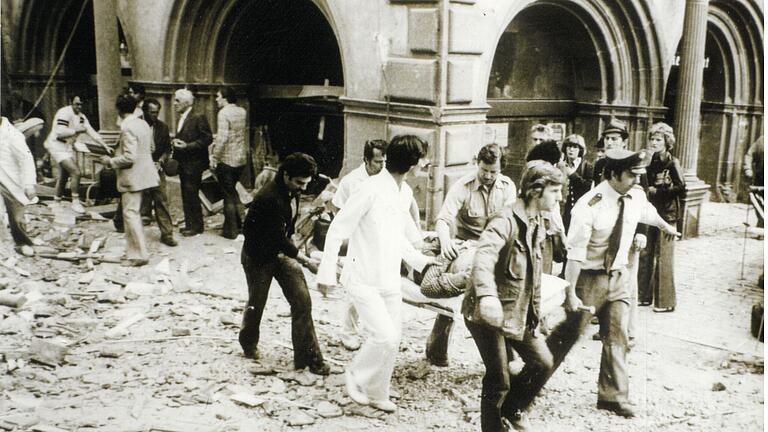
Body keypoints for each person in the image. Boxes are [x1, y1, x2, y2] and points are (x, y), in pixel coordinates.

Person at [554, 149, 680, 419]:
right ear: (612, 174)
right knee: (568, 336)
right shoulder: (588, 205)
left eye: (639, 175)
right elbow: (575, 255)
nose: (637, 180)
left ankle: (612, 397)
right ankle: (528, 383)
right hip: (589, 279)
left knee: (618, 336)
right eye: (631, 175)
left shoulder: (635, 195)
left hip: (619, 276)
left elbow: (647, 213)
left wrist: (665, 227)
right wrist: (570, 293)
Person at [317, 135, 433, 413]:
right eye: (423, 159)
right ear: (412, 164)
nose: (426, 164)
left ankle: (378, 393)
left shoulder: (403, 192)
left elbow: (400, 238)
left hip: (389, 279)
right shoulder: (369, 189)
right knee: (384, 337)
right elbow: (337, 229)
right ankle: (356, 374)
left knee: (394, 340)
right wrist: (326, 273)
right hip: (363, 278)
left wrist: (423, 261)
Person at [462, 161, 565, 432]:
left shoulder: (538, 221)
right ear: (535, 191)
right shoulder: (505, 220)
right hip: (487, 313)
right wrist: (487, 297)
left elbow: (534, 276)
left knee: (543, 362)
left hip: (516, 312)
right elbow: (483, 258)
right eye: (555, 191)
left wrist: (536, 314)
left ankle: (512, 409)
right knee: (498, 379)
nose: (560, 197)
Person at [239, 152, 330, 376]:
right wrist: (306, 260)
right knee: (256, 303)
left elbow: (285, 234)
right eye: (299, 183)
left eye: (306, 184)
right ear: (286, 175)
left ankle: (308, 359)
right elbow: (277, 238)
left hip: (280, 253)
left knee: (302, 300)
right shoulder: (269, 197)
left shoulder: (292, 189)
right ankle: (248, 344)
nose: (303, 188)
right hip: (258, 256)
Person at [431, 143, 516, 366]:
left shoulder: (508, 187)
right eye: (484, 170)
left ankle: (506, 353)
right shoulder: (463, 186)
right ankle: (436, 345)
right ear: (477, 164)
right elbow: (443, 219)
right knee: (457, 291)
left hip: (497, 247)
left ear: (501, 169)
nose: (488, 176)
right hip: (468, 247)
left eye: (493, 172)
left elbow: (510, 224)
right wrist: (446, 240)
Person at [329, 138, 389, 351]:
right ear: (366, 160)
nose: (381, 166)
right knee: (357, 289)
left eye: (384, 161)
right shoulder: (351, 181)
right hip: (359, 243)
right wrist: (349, 235)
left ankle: (376, 332)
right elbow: (337, 209)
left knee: (380, 289)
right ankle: (349, 332)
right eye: (377, 162)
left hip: (380, 239)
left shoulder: (386, 179)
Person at [98, 95, 159, 267]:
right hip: (145, 174)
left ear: (118, 110)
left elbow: (129, 158)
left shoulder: (127, 127)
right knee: (134, 214)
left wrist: (110, 161)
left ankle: (139, 255)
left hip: (132, 176)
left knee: (131, 215)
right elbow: (151, 148)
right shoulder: (143, 123)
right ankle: (135, 252)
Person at [637, 123, 684, 312]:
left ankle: (665, 301)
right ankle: (643, 295)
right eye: (652, 139)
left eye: (659, 139)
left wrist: (659, 191)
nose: (654, 142)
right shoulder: (651, 160)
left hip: (668, 212)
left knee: (664, 255)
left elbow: (681, 187)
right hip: (651, 211)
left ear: (667, 142)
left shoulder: (673, 162)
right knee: (646, 253)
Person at [44, 95, 108, 213]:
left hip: (66, 147)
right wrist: (77, 130)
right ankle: (75, 202)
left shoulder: (82, 117)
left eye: (81, 104)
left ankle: (56, 202)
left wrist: (105, 146)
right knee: (76, 172)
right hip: (56, 145)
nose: (79, 107)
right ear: (71, 102)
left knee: (64, 175)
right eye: (77, 104)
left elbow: (91, 132)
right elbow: (60, 133)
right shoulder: (63, 113)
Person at [172, 89, 212, 237]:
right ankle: (190, 224)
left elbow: (207, 138)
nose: (174, 103)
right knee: (186, 193)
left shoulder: (198, 116)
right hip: (184, 162)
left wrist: (187, 146)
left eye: (177, 100)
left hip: (194, 162)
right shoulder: (182, 117)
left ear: (187, 102)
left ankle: (196, 226)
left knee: (191, 193)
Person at [210, 86, 248, 239]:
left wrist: (214, 157)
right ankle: (241, 225)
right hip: (240, 158)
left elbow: (223, 138)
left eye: (218, 96)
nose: (216, 99)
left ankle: (231, 230)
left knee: (228, 194)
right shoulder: (242, 111)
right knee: (232, 191)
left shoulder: (223, 113)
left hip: (227, 159)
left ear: (225, 98)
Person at [0, 117, 38, 256]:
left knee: (17, 216)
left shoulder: (13, 135)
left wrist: (29, 184)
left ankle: (23, 242)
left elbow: (26, 159)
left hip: (12, 179)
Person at [558, 134, 594, 232]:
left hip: (579, 211)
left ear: (580, 150)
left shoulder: (587, 166)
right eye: (569, 146)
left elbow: (587, 187)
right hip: (562, 211)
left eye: (575, 147)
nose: (571, 149)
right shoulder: (560, 165)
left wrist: (572, 174)